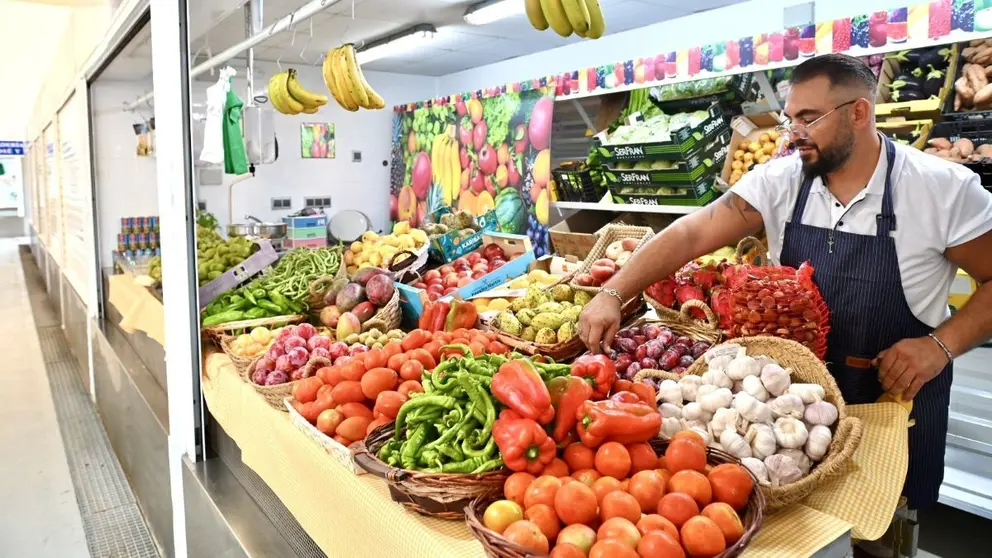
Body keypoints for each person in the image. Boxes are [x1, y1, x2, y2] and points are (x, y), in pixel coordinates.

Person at [578, 53, 992, 515]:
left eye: (809, 118)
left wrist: (940, 345)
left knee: (885, 525)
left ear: (859, 112)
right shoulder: (782, 181)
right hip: (785, 410)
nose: (793, 133)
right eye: (790, 118)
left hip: (893, 406)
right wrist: (614, 291)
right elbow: (694, 231)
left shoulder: (942, 189)